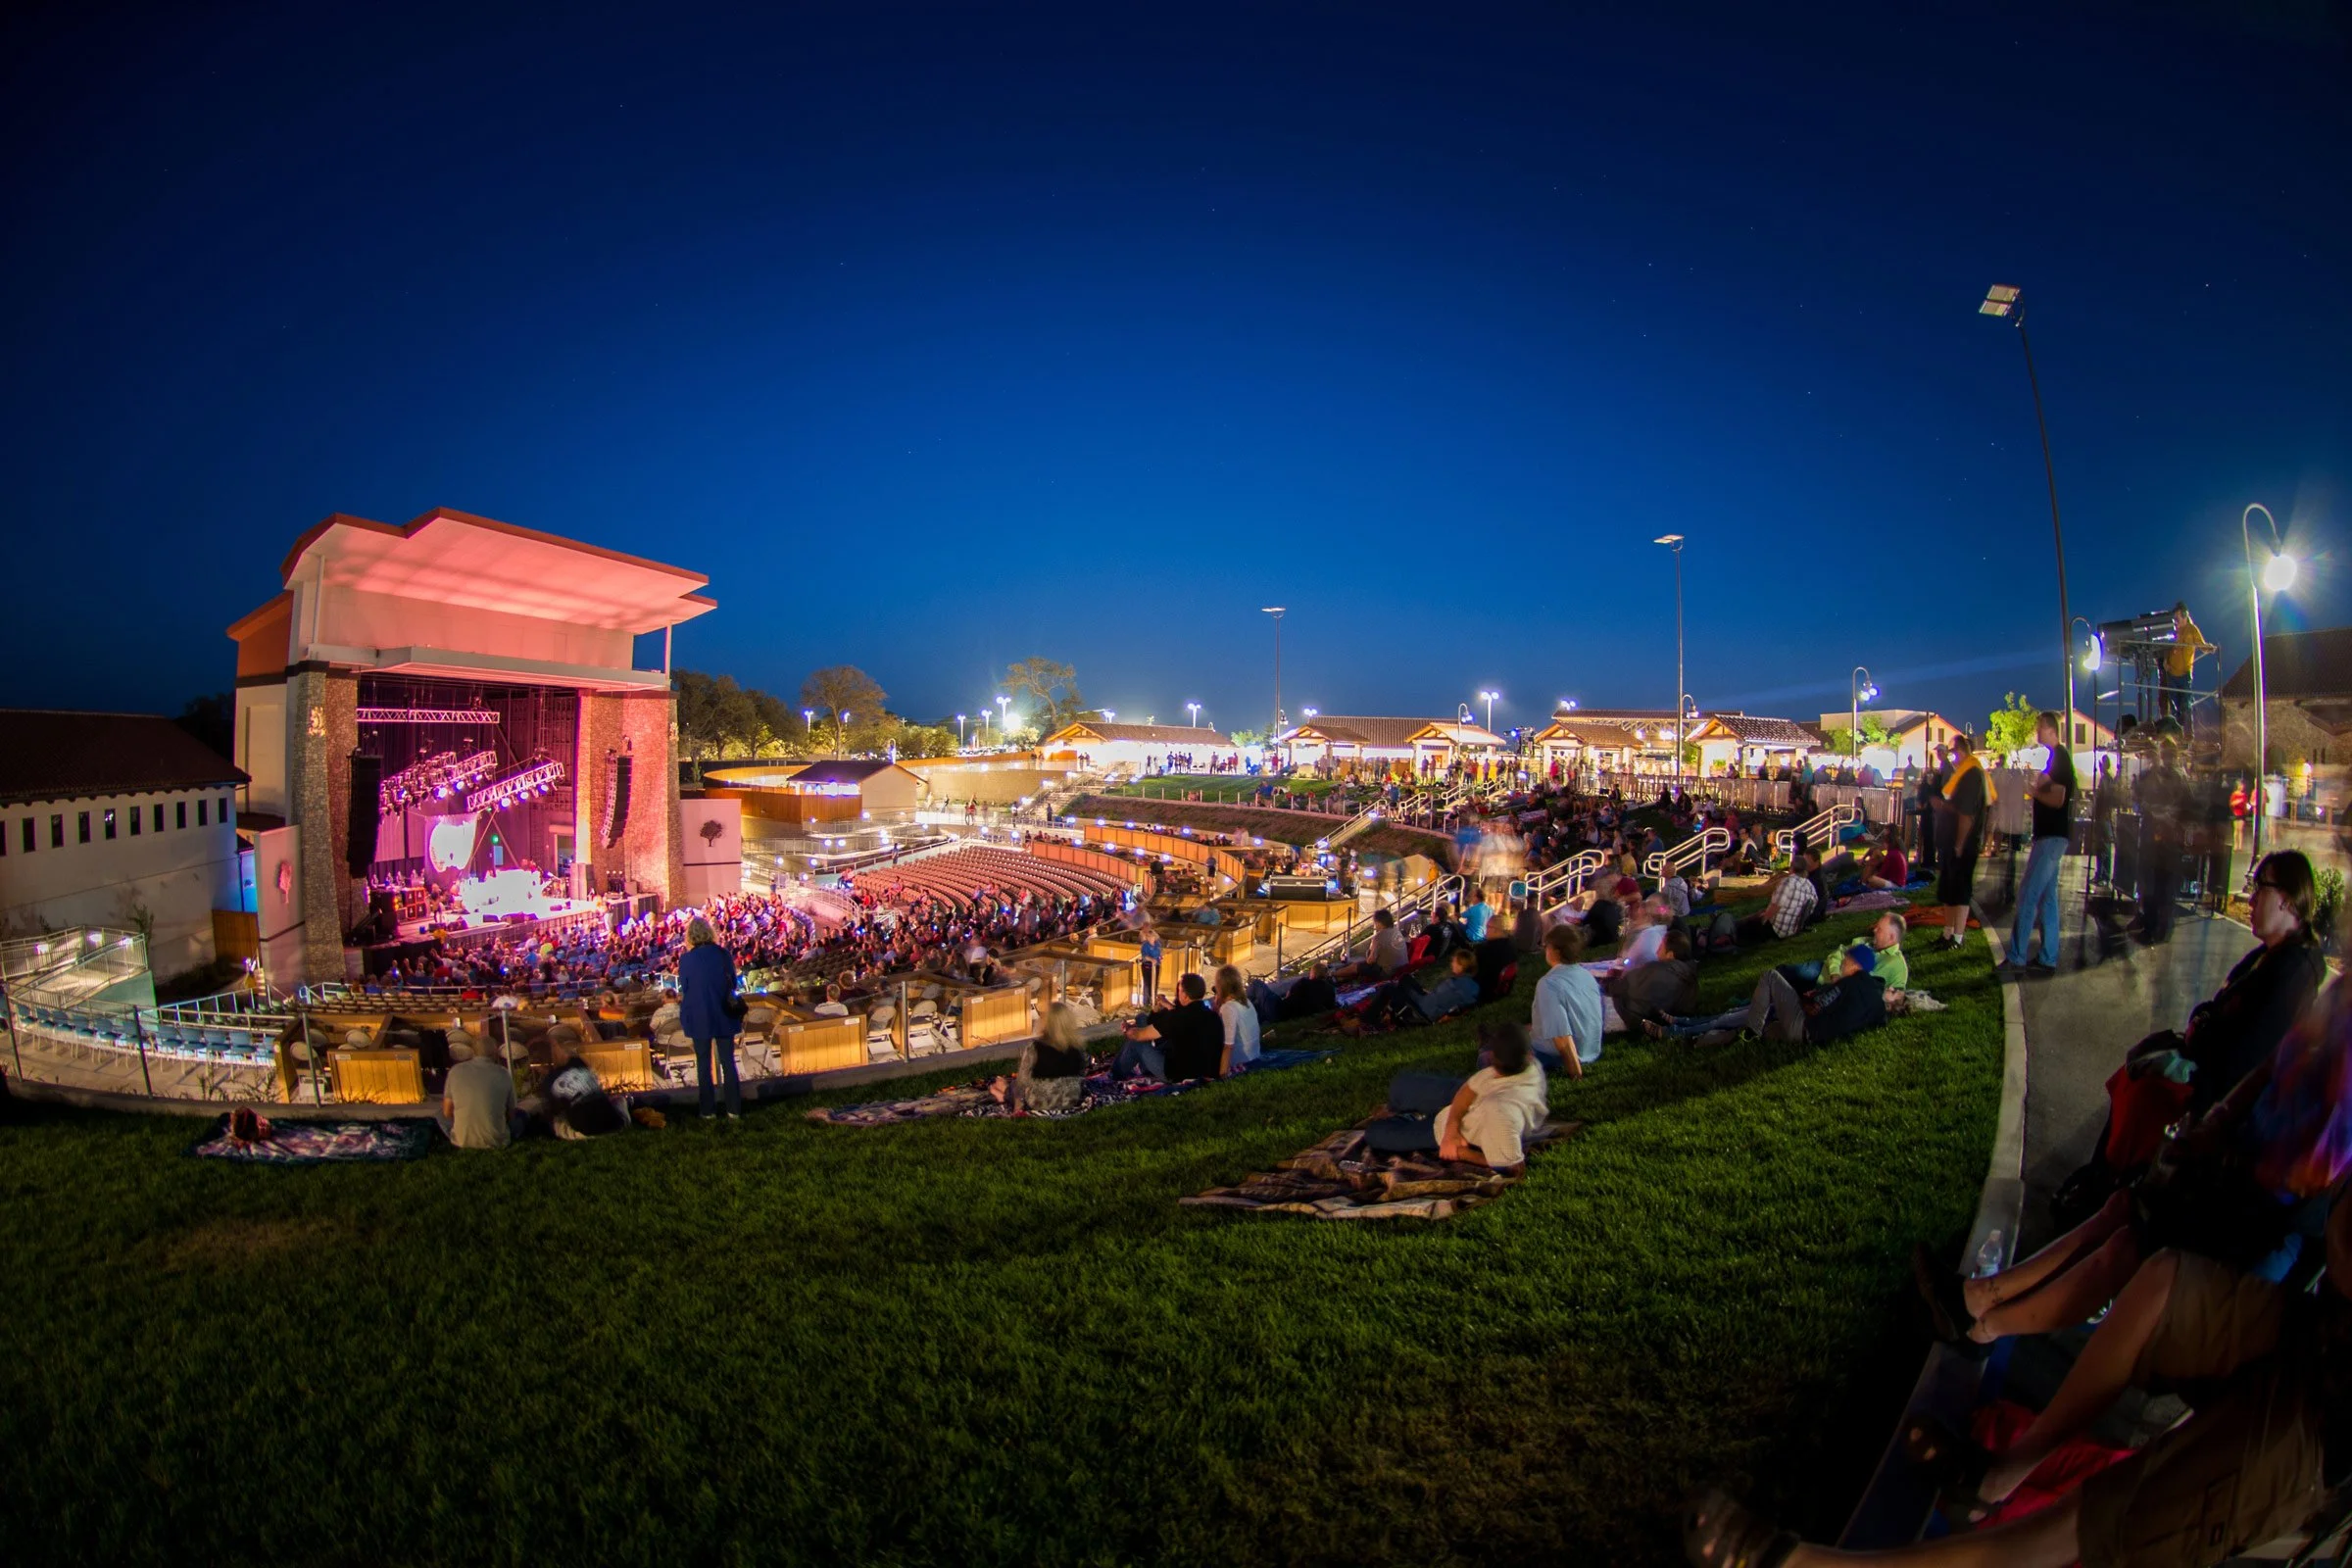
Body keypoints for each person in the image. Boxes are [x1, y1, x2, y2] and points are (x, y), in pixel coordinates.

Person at [1687, 1193, 2352, 1568]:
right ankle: (1998, 1475)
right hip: (2321, 1329)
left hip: (2331, 1423)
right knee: (2164, 1283)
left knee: (2100, 1517)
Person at [1930, 961, 2349, 1347]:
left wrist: (2220, 1152)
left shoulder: (2311, 991)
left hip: (2261, 1215)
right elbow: (2269, 1068)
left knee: (2130, 1244)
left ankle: (1982, 1324)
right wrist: (2215, 1124)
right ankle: (1980, 1302)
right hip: (2234, 1172)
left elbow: (2305, 1172)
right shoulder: (2339, 997)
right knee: (2121, 1208)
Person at [1363, 1022, 1549, 1168]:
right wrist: (1453, 1127)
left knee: (1374, 1134)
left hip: (1453, 1130)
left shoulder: (1503, 1113)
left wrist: (1458, 1150)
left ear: (1492, 1058)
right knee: (1400, 1086)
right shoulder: (1528, 1068)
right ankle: (1408, 1109)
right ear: (1529, 1054)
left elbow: (1513, 1166)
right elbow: (1467, 1091)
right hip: (1461, 1113)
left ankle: (1408, 1118)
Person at [1653, 944, 1886, 1047]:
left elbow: (1818, 1004)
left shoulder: (1848, 985)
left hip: (1806, 1028)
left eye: (1846, 961)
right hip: (1810, 1036)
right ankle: (1693, 1039)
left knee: (1769, 977)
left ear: (1855, 965)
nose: (1842, 965)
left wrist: (1801, 999)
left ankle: (1750, 1033)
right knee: (1745, 1023)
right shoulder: (1874, 996)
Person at [2002, 710, 2076, 976]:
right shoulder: (2055, 760)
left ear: (2049, 728)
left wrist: (2032, 790)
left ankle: (2017, 957)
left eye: (2039, 727)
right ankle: (2048, 957)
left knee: (2028, 894)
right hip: (2050, 837)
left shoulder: (2060, 759)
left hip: (2051, 838)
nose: (2036, 732)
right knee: (2047, 899)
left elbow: (2058, 799)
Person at [678, 915, 745, 1121]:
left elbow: (686, 987)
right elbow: (733, 983)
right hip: (723, 1012)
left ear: (690, 936)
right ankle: (734, 1109)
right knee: (727, 1061)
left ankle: (708, 1111)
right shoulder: (723, 954)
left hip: (699, 1015)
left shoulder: (686, 959)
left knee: (703, 1064)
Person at [1933, 734, 1991, 950]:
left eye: (1951, 752)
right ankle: (1947, 932)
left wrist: (1959, 844)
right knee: (1948, 890)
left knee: (1959, 891)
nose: (1950, 756)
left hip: (1963, 846)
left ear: (1960, 751)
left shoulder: (1972, 774)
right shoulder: (1964, 774)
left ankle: (1957, 936)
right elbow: (1958, 808)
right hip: (1952, 843)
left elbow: (1967, 815)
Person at [1111, 972, 1223, 1082]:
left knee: (1136, 1043)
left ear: (1185, 995)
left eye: (1179, 991)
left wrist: (1127, 1029)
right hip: (1204, 1070)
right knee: (1143, 1021)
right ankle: (1144, 1066)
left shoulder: (1178, 1017)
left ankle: (1115, 1074)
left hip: (1177, 1074)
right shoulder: (1214, 1016)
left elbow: (1138, 1035)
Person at [1532, 922, 1604, 1078]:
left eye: (1546, 946)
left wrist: (1576, 1073)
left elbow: (1561, 1035)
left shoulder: (1549, 984)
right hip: (1591, 1049)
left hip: (1557, 1056)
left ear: (1554, 951)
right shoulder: (1587, 975)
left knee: (1491, 1054)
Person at [2134, 739, 2189, 945]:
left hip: (2164, 839)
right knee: (2158, 886)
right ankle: (2155, 927)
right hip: (2159, 838)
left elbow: (2179, 805)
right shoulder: (2169, 775)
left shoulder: (2173, 776)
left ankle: (2155, 928)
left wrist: (2162, 814)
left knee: (2160, 887)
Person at [996, 1001, 1090, 1114]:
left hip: (1038, 1101)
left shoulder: (1035, 1047)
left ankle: (1002, 1093)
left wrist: (1016, 1107)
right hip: (1069, 1099)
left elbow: (1022, 1082)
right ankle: (1003, 1090)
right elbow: (1081, 1075)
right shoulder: (1077, 1048)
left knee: (1009, 1085)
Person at [1357, 949, 1482, 1031]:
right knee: (1405, 980)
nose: (1452, 964)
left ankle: (1367, 1018)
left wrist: (1422, 994)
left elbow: (1435, 1001)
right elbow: (1444, 999)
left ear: (1461, 965)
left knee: (1391, 986)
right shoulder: (1473, 987)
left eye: (1454, 962)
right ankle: (1387, 1012)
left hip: (1422, 1009)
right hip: (1430, 1004)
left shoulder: (1453, 983)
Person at [439, 1047, 519, 1150]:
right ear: (495, 1054)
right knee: (522, 1116)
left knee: (439, 1114)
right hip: (496, 1141)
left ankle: (461, 1132)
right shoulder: (503, 1073)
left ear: (473, 1052)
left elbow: (446, 1112)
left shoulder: (455, 1071)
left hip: (462, 1140)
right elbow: (511, 1114)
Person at [1736, 852, 1819, 946]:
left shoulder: (1787, 882)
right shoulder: (1810, 885)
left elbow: (1776, 905)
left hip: (1777, 930)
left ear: (1791, 867)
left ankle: (1732, 934)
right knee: (1758, 914)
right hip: (1793, 928)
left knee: (1747, 925)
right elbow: (1812, 905)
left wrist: (1763, 919)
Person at [2164, 598, 2214, 725]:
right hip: (2171, 673)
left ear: (2185, 615)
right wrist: (2165, 662)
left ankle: (2187, 732)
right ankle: (2176, 731)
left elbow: (2201, 645)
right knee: (2173, 706)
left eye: (2178, 618)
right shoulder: (2174, 631)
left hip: (2185, 673)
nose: (2176, 621)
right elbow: (2167, 647)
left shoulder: (2192, 630)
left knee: (2186, 705)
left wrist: (2210, 648)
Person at [1211, 963, 1261, 1074]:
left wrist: (1222, 1074)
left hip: (1240, 1060)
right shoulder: (1246, 1002)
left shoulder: (1228, 1008)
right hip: (1254, 1054)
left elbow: (1228, 1045)